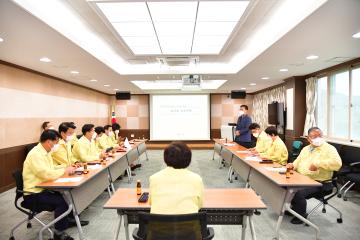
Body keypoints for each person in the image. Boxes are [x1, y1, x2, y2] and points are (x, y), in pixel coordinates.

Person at [23, 130, 76, 240]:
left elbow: (51, 169)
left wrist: (64, 168)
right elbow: (45, 174)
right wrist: (64, 171)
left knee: (67, 197)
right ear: (48, 142)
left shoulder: (45, 152)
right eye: (56, 142)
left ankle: (65, 221)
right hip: (33, 194)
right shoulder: (35, 154)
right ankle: (58, 232)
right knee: (62, 202)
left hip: (43, 188)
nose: (56, 145)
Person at [286, 127, 342, 224]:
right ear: (308, 138)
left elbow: (337, 163)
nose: (318, 138)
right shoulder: (306, 149)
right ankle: (294, 209)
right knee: (287, 187)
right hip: (303, 179)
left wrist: (318, 164)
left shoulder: (329, 148)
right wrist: (292, 165)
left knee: (297, 192)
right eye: (314, 136)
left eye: (320, 136)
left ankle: (301, 215)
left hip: (320, 182)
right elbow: (298, 161)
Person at [149, 142, 204, 214]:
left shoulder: (154, 178)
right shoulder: (197, 179)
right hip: (189, 224)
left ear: (165, 158)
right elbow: (199, 205)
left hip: (159, 224)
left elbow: (151, 203)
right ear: (188, 160)